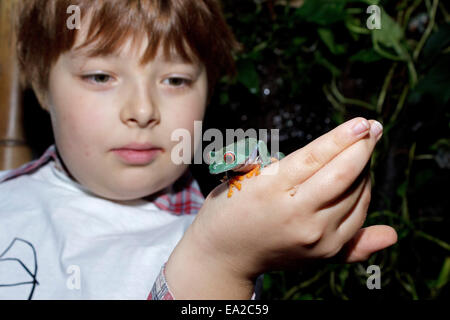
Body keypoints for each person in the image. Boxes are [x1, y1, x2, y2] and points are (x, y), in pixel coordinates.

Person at [0, 0, 397, 299]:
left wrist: (222, 261)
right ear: (40, 87)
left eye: (175, 80)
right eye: (100, 75)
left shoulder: (234, 226)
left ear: (209, 92)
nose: (142, 111)